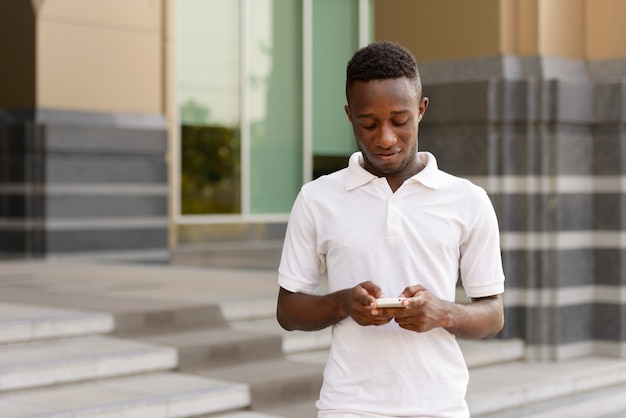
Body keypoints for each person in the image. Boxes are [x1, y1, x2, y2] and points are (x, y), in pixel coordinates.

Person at [276, 41, 505, 418]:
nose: (384, 138)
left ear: (421, 109)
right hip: (347, 406)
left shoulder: (469, 200)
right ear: (349, 116)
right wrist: (342, 303)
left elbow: (493, 314)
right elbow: (288, 311)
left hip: (439, 407)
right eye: (369, 123)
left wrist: (443, 312)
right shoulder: (316, 199)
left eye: (399, 121)